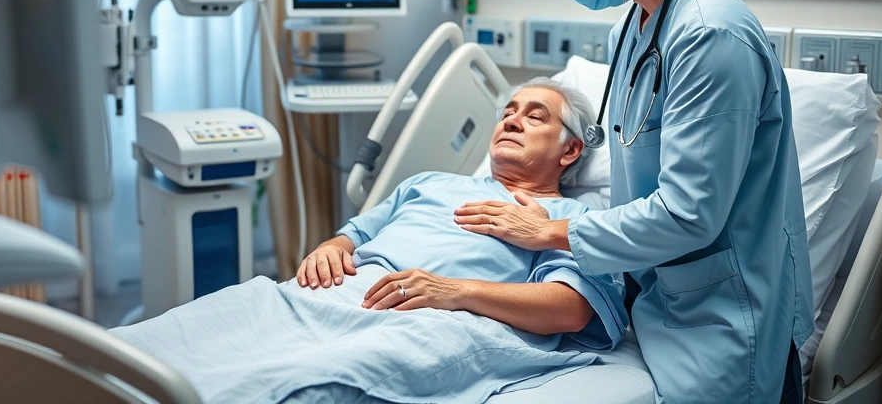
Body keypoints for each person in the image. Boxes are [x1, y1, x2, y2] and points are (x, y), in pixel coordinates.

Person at [454, 0, 813, 404]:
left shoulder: (709, 34)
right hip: (655, 299)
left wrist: (552, 231)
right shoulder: (636, 23)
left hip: (724, 316)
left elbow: (691, 212)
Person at [112, 79, 626, 404]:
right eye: (509, 111)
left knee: (302, 383)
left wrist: (455, 291)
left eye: (535, 116)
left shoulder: (571, 218)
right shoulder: (428, 183)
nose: (512, 119)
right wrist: (333, 246)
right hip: (327, 295)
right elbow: (354, 233)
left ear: (570, 150)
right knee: (175, 339)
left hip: (429, 320)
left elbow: (570, 310)